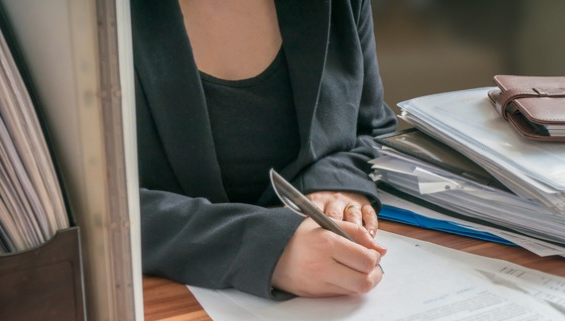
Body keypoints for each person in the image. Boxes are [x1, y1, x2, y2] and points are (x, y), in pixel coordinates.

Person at [130, 0, 397, 299]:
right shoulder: (86, 17)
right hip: (159, 304)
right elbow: (88, 210)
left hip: (316, 306)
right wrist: (264, 247)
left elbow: (372, 127)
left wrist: (336, 181)